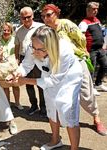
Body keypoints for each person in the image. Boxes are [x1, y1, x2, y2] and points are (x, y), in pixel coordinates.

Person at [7, 26, 82, 150]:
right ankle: (55, 140)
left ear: (51, 46)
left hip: (69, 78)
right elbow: (26, 65)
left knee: (68, 110)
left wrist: (25, 81)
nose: (35, 52)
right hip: (48, 76)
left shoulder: (64, 51)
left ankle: (74, 148)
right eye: (34, 48)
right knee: (51, 106)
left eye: (40, 49)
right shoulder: (34, 46)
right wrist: (16, 73)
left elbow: (54, 80)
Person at [41, 3, 107, 136]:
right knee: (60, 93)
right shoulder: (46, 31)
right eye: (43, 16)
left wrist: (79, 52)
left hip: (77, 61)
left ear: (56, 14)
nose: (45, 18)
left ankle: (96, 118)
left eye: (48, 15)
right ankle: (61, 120)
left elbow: (81, 38)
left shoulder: (66, 24)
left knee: (86, 93)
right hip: (59, 65)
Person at [15, 6, 46, 115]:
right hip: (25, 58)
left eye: (28, 17)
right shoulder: (18, 30)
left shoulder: (41, 27)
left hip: (40, 58)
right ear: (20, 18)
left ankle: (44, 108)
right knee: (28, 84)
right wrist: (17, 60)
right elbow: (17, 46)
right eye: (24, 18)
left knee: (41, 84)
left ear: (32, 16)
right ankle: (33, 105)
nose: (26, 19)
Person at [78, 2, 107, 93]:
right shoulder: (83, 23)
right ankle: (91, 88)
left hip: (100, 49)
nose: (95, 11)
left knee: (105, 65)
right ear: (88, 10)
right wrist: (84, 50)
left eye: (97, 9)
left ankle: (98, 83)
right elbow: (80, 38)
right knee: (91, 69)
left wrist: (104, 44)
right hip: (90, 50)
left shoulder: (97, 20)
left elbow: (102, 33)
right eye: (93, 9)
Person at [0, 22, 21, 109]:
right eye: (4, 30)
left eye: (8, 30)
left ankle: (17, 103)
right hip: (3, 66)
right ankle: (7, 103)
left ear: (11, 31)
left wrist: (17, 64)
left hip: (13, 64)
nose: (6, 32)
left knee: (15, 84)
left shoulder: (15, 39)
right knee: (6, 85)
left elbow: (17, 53)